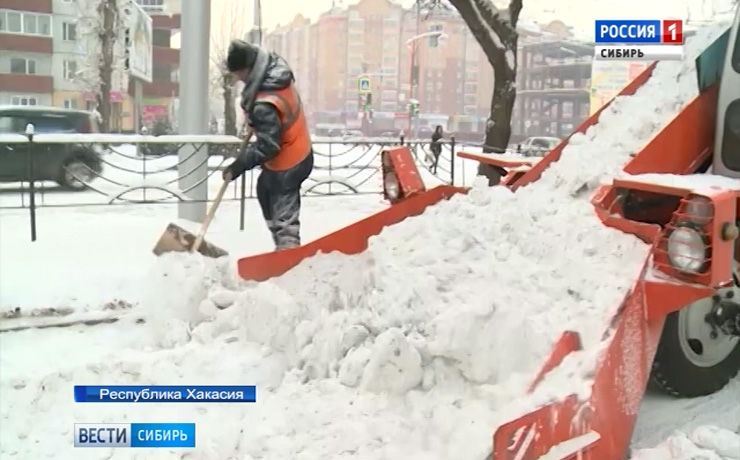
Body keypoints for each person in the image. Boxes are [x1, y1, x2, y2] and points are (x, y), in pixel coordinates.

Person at [222, 39, 314, 250]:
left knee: (283, 201)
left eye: (238, 73)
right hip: (295, 146)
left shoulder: (264, 102)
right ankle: (281, 245)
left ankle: (288, 249)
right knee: (265, 189)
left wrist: (239, 165)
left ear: (248, 69)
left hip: (291, 159)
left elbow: (269, 146)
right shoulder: (273, 74)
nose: (238, 79)